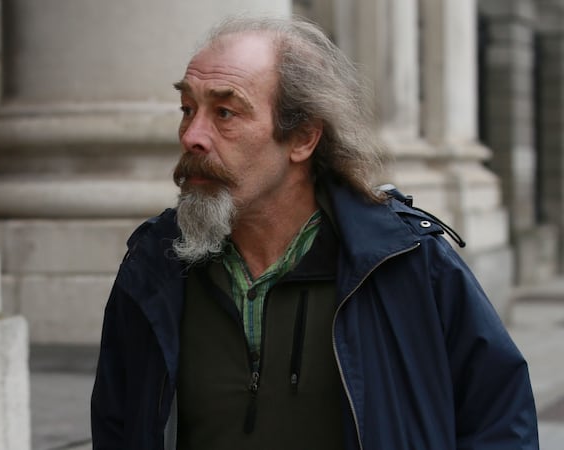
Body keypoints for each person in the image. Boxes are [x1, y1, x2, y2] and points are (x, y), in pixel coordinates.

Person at [91, 15, 538, 450]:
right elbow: (117, 426)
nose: (193, 135)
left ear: (303, 137)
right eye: (188, 109)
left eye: (225, 112)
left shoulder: (405, 262)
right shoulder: (155, 264)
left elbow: (499, 420)